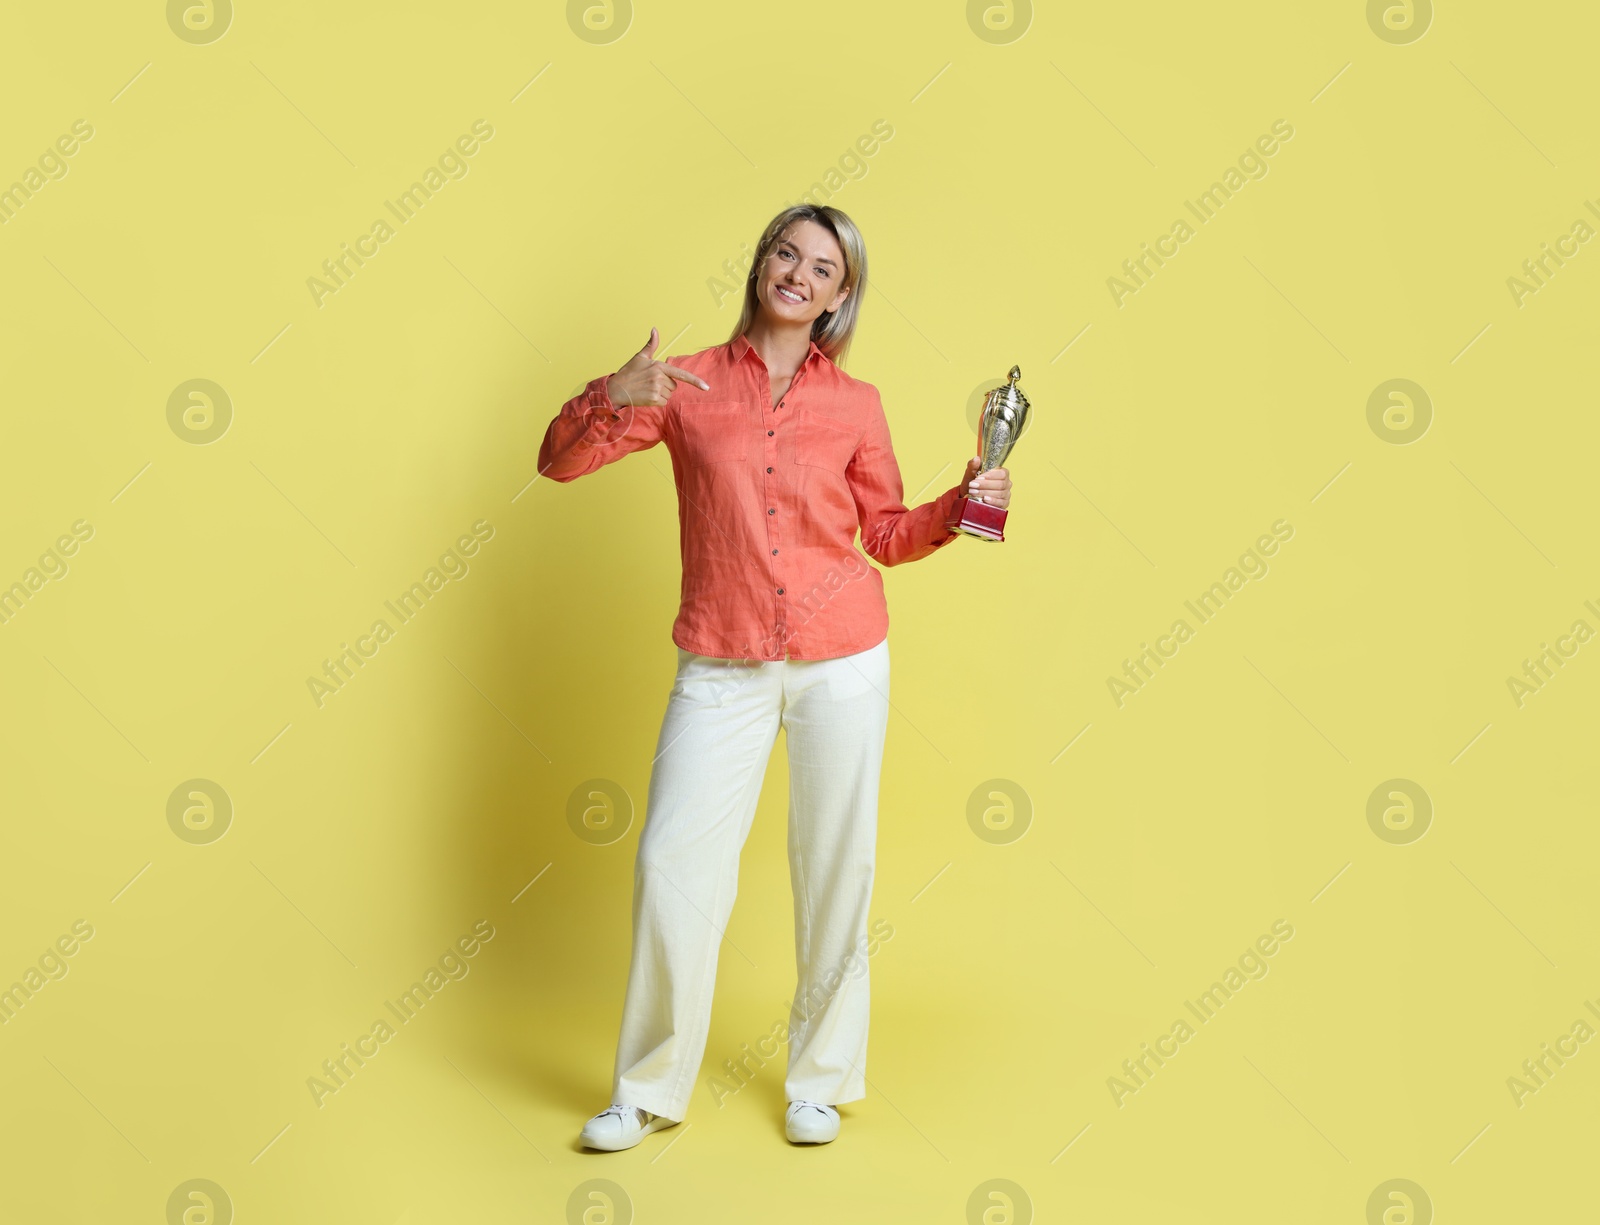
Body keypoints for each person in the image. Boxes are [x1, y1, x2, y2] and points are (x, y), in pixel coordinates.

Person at [537, 204, 1012, 1148]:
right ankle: (647, 1088)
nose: (798, 272)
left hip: (842, 661)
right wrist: (612, 391)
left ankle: (821, 1080)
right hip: (721, 659)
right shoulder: (685, 384)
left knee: (837, 865)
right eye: (785, 252)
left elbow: (881, 534)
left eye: (822, 267)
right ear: (760, 263)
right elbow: (556, 463)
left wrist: (967, 501)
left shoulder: (856, 403)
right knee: (674, 864)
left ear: (841, 296)